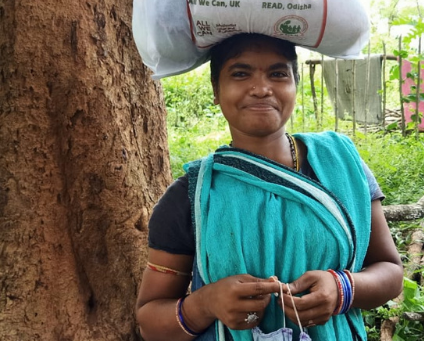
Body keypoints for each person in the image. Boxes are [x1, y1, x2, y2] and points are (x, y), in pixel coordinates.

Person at [136, 33, 403, 341]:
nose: (261, 89)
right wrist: (205, 304)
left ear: (294, 85)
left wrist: (342, 288)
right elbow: (149, 321)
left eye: (278, 74)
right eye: (240, 73)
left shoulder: (342, 165)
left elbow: (389, 271)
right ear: (215, 91)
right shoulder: (192, 196)